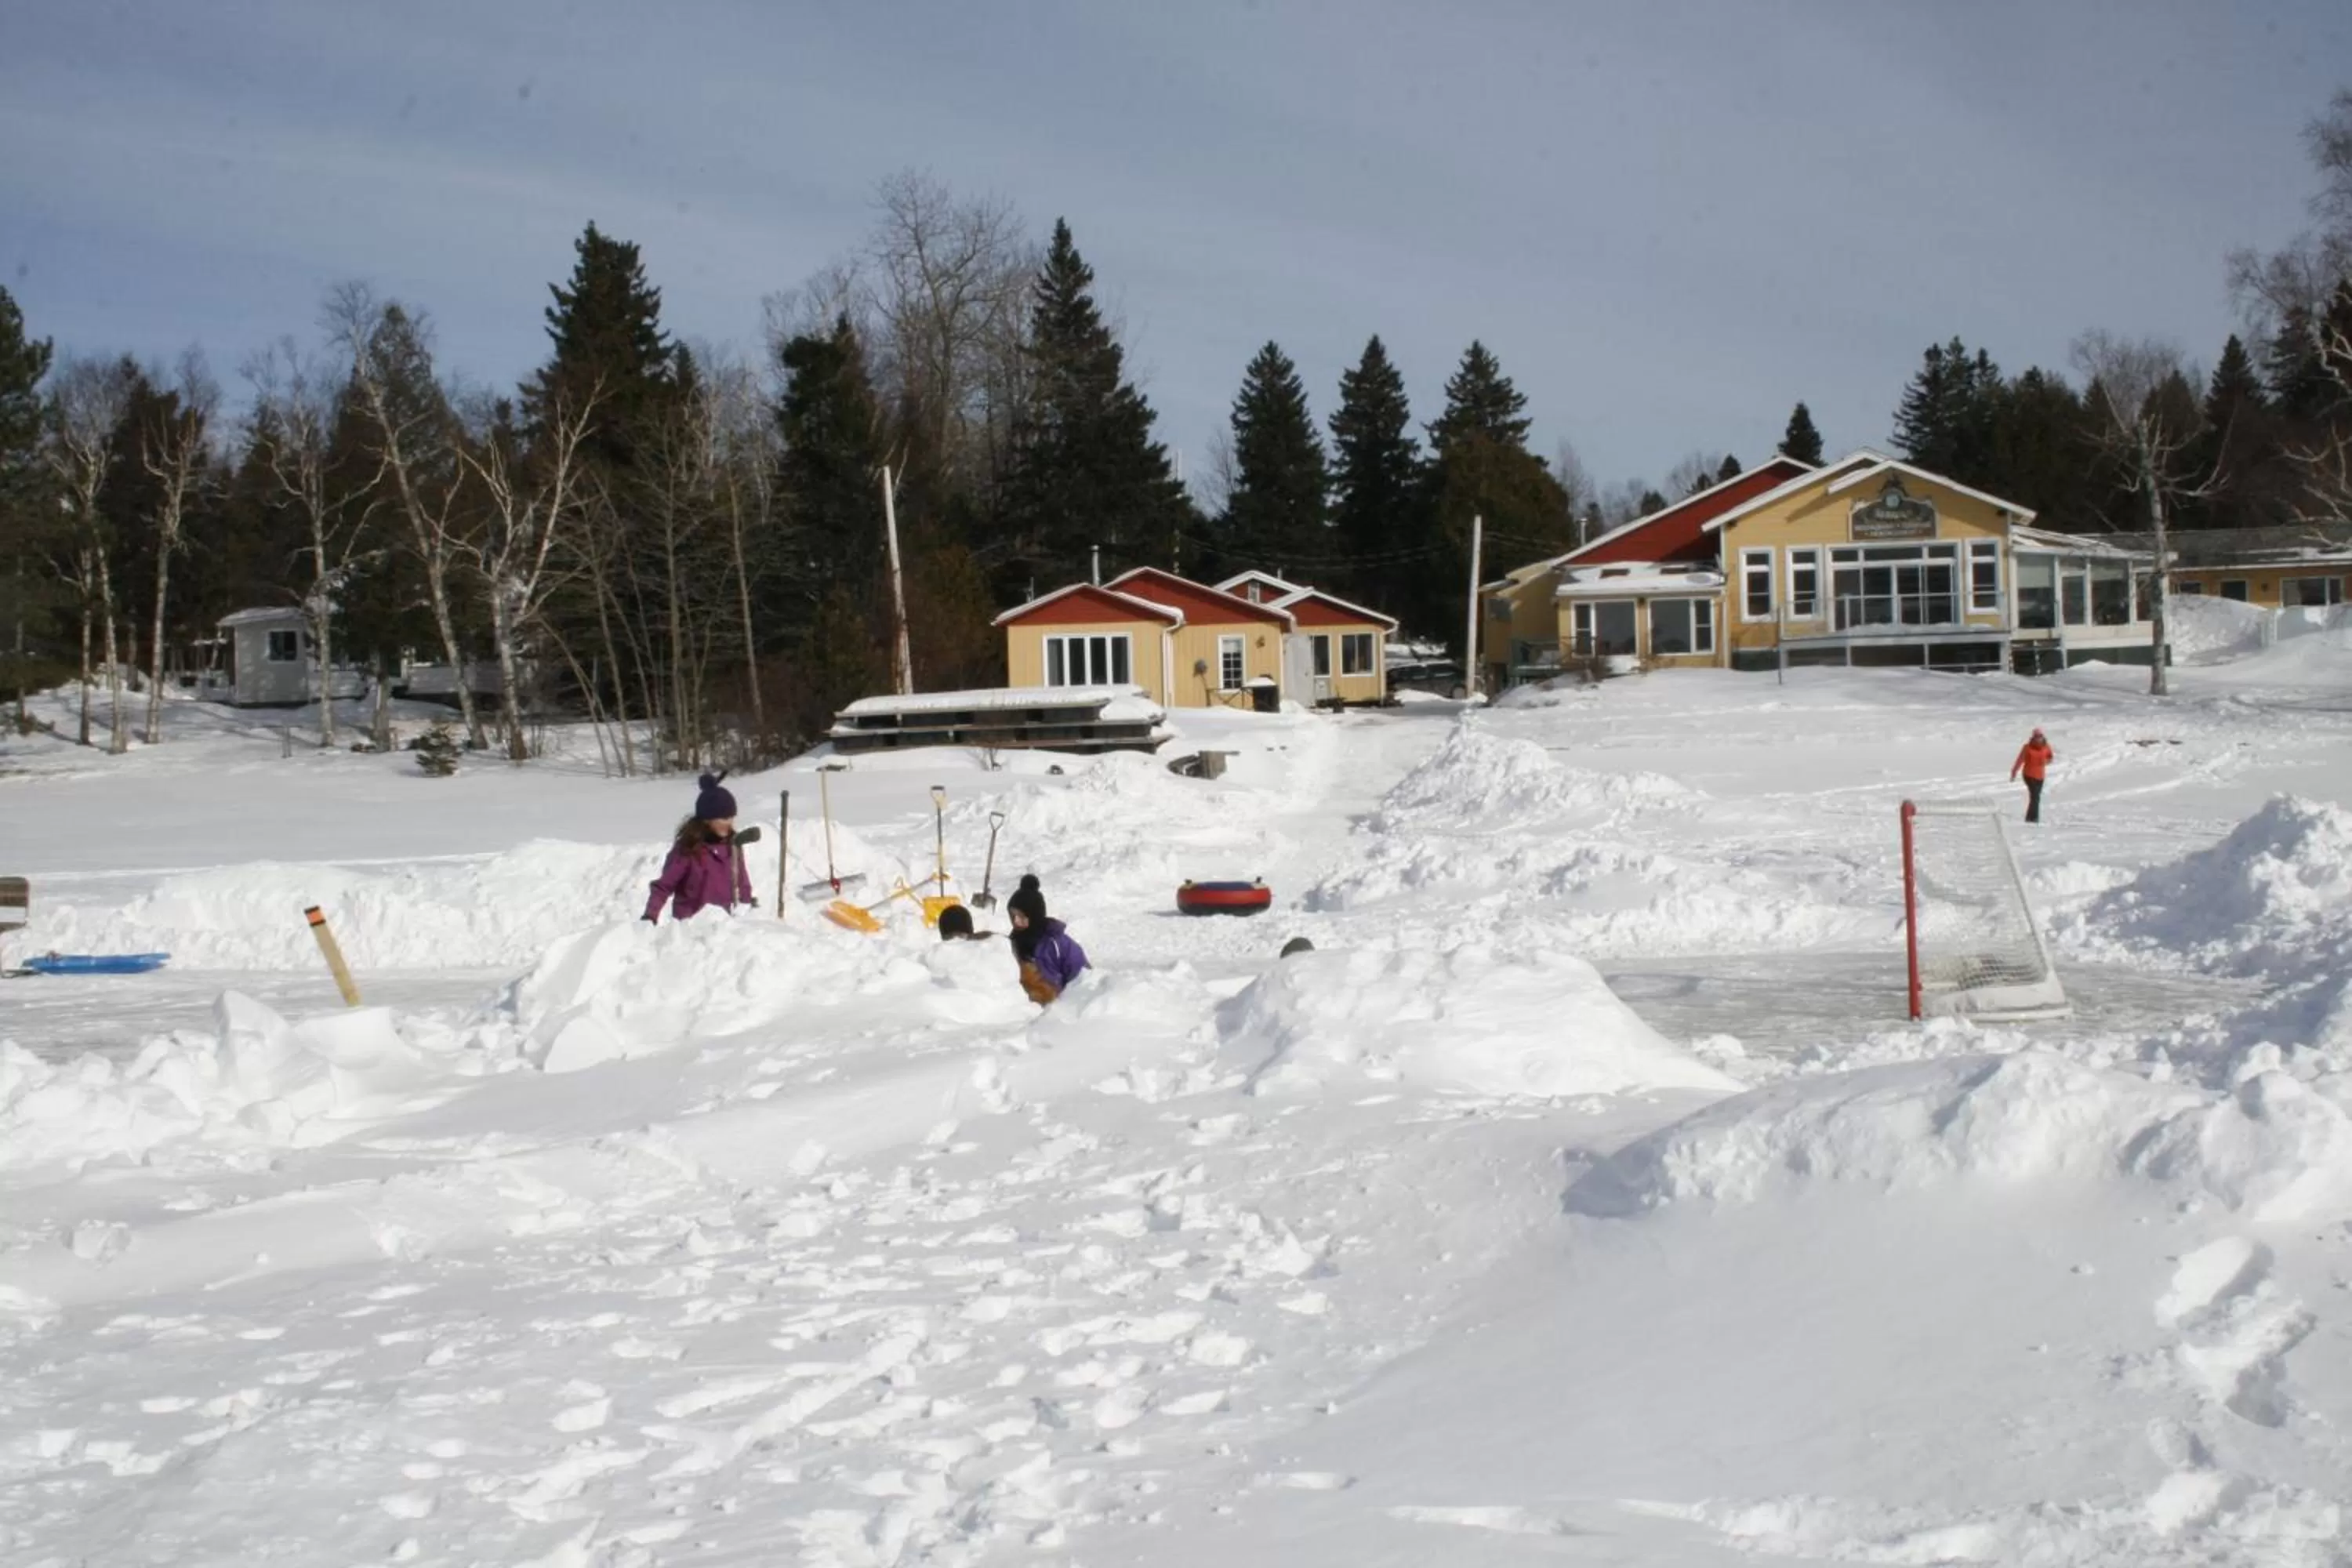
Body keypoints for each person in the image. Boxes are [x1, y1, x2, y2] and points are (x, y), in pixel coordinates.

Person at [643, 771, 754, 923]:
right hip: (691, 929)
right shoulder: (688, 850)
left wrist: (746, 907)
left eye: (731, 818)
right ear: (707, 819)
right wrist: (651, 914)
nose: (728, 823)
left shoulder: (733, 846)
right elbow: (664, 886)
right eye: (723, 818)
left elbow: (742, 882)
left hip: (726, 929)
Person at [1006, 874, 1089, 1004]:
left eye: (1022, 917)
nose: (1016, 921)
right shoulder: (1011, 943)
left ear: (1034, 916)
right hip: (1024, 1009)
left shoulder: (1057, 943)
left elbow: (1082, 975)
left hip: (1057, 1008)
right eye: (1013, 916)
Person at [2009, 728, 2054, 824]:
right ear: (2033, 737)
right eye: (2036, 737)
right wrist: (2014, 772)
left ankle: (2030, 818)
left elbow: (2050, 757)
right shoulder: (2027, 747)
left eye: (2040, 736)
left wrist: (2046, 761)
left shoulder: (2046, 746)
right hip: (2029, 775)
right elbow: (2020, 760)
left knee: (2035, 797)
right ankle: (2034, 819)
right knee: (2035, 797)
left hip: (2040, 775)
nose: (2038, 739)